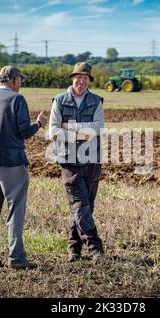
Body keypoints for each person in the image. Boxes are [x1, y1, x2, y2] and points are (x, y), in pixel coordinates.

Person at [0, 65, 48, 269]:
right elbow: (24, 131)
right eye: (21, 80)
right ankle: (16, 259)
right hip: (12, 163)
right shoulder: (17, 99)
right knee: (15, 211)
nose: (22, 84)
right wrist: (39, 124)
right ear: (15, 80)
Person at [49, 62, 105, 263]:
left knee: (86, 206)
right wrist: (81, 135)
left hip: (92, 159)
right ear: (72, 78)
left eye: (85, 78)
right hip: (69, 160)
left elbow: (98, 127)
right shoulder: (59, 101)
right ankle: (95, 248)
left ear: (89, 81)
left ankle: (74, 249)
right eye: (78, 77)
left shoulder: (97, 101)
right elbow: (53, 131)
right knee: (80, 205)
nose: (81, 81)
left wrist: (71, 127)